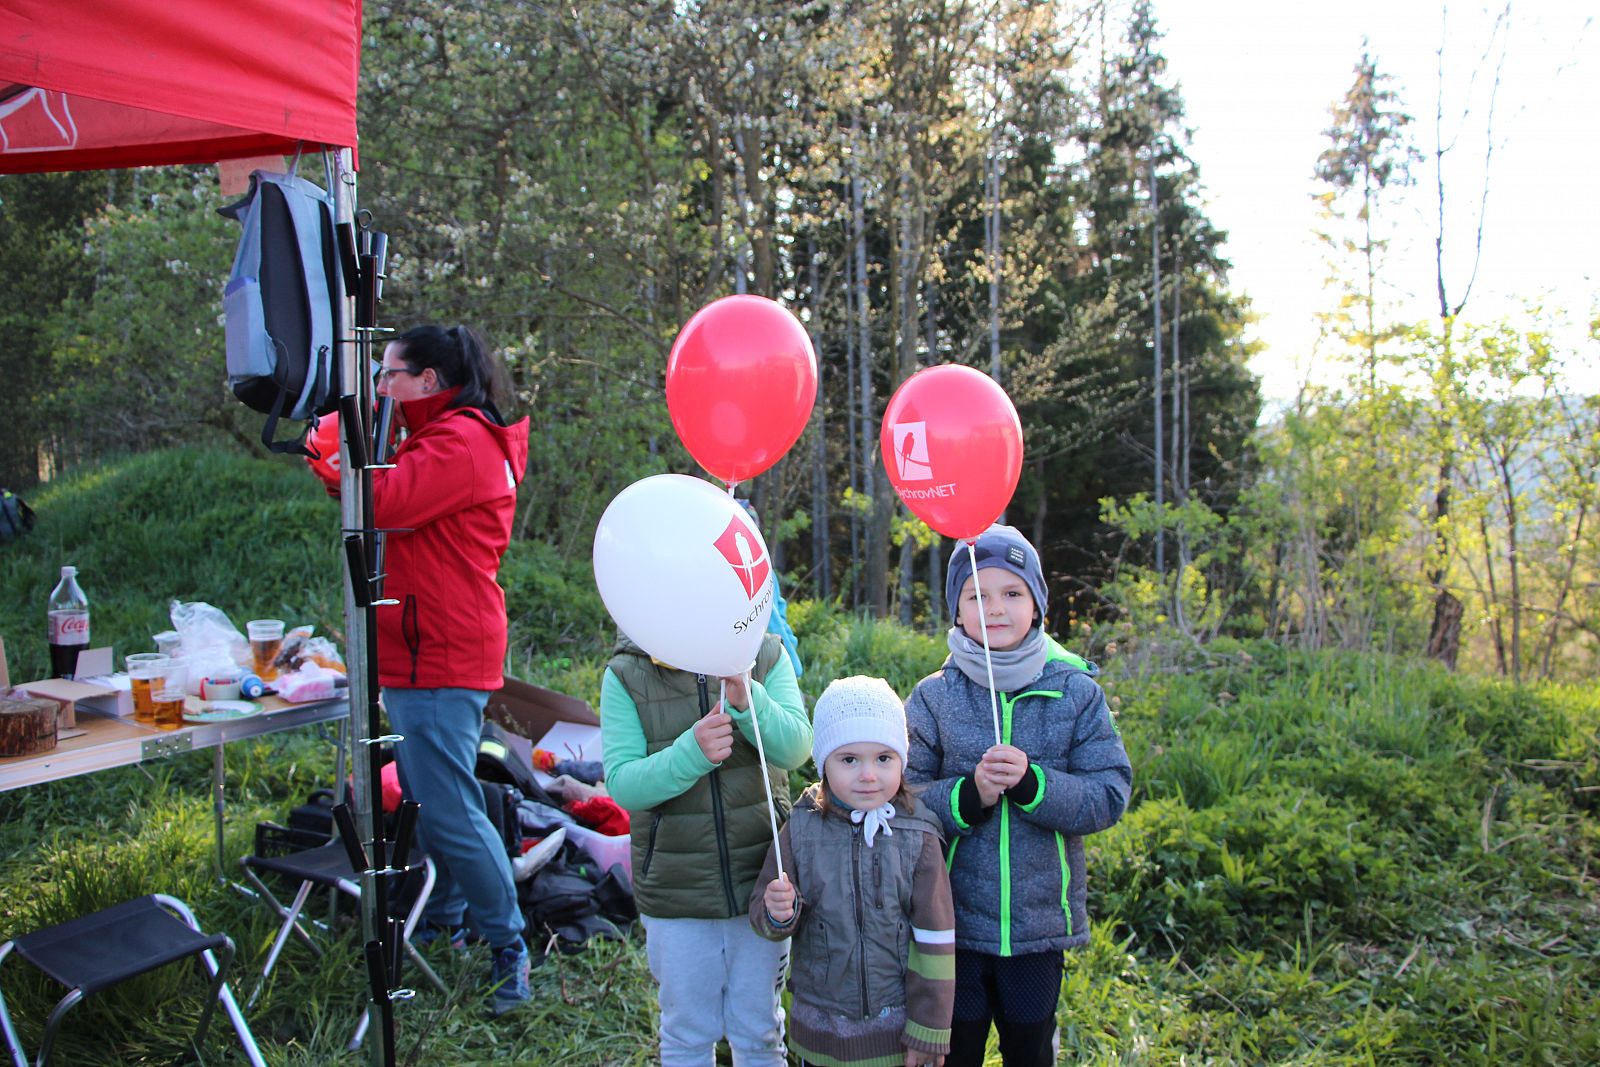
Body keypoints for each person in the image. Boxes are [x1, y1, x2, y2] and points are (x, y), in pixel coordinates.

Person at [308, 323, 532, 1015]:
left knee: (448, 808)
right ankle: (450, 919)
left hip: (439, 651)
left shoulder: (459, 441)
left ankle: (509, 946)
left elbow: (380, 501)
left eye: (389, 375)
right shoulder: (444, 436)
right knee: (435, 798)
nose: (380, 387)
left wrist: (331, 444)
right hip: (427, 646)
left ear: (427, 380)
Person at [905, 525, 1132, 1066]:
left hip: (1037, 931)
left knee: (1030, 1048)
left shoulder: (1075, 692)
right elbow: (904, 799)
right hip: (953, 924)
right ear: (957, 610)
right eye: (976, 595)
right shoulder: (934, 697)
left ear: (1037, 605)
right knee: (955, 1051)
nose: (995, 608)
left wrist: (1035, 785)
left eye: (1012, 592)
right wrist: (969, 796)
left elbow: (1108, 794)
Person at [601, 631, 812, 1067]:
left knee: (759, 1028)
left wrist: (749, 701)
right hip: (677, 894)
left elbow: (796, 748)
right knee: (687, 1031)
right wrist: (690, 754)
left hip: (760, 882)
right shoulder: (627, 672)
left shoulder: (765, 654)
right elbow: (623, 784)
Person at [751, 675, 955, 1067]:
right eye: (849, 760)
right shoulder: (801, 827)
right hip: (821, 1032)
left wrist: (929, 1028)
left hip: (896, 1035)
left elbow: (936, 938)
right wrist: (778, 911)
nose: (868, 774)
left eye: (883, 758)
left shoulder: (919, 834)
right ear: (824, 764)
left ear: (902, 760)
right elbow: (765, 914)